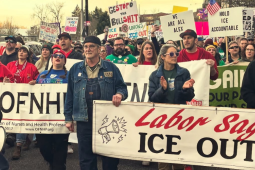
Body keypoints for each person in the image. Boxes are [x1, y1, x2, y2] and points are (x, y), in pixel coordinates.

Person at [64, 36, 128, 170]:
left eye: (92, 46)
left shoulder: (111, 67)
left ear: (99, 49)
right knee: (86, 160)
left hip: (107, 120)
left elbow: (122, 88)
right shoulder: (75, 69)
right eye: (86, 46)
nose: (88, 49)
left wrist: (119, 94)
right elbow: (69, 94)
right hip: (83, 119)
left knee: (110, 158)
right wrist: (68, 118)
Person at [148, 44, 195, 170]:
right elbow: (152, 98)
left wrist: (186, 89)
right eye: (172, 54)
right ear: (163, 56)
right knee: (162, 153)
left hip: (179, 117)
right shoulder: (154, 76)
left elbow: (190, 97)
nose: (175, 56)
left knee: (177, 151)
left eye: (176, 53)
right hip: (162, 117)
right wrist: (162, 89)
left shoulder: (183, 72)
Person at [33, 49, 69, 170]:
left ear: (64, 60)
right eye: (55, 56)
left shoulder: (69, 75)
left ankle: (59, 165)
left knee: (60, 146)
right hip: (44, 117)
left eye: (61, 56)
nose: (58, 57)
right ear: (51, 59)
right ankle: (53, 162)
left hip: (61, 118)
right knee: (44, 147)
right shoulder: (42, 75)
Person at [7, 45, 39, 160]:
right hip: (11, 98)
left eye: (24, 51)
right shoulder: (10, 65)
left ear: (27, 54)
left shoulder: (32, 67)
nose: (21, 53)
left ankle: (18, 146)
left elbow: (39, 80)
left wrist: (35, 81)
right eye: (20, 51)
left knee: (21, 120)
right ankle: (26, 139)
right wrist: (5, 81)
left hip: (26, 98)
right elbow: (5, 78)